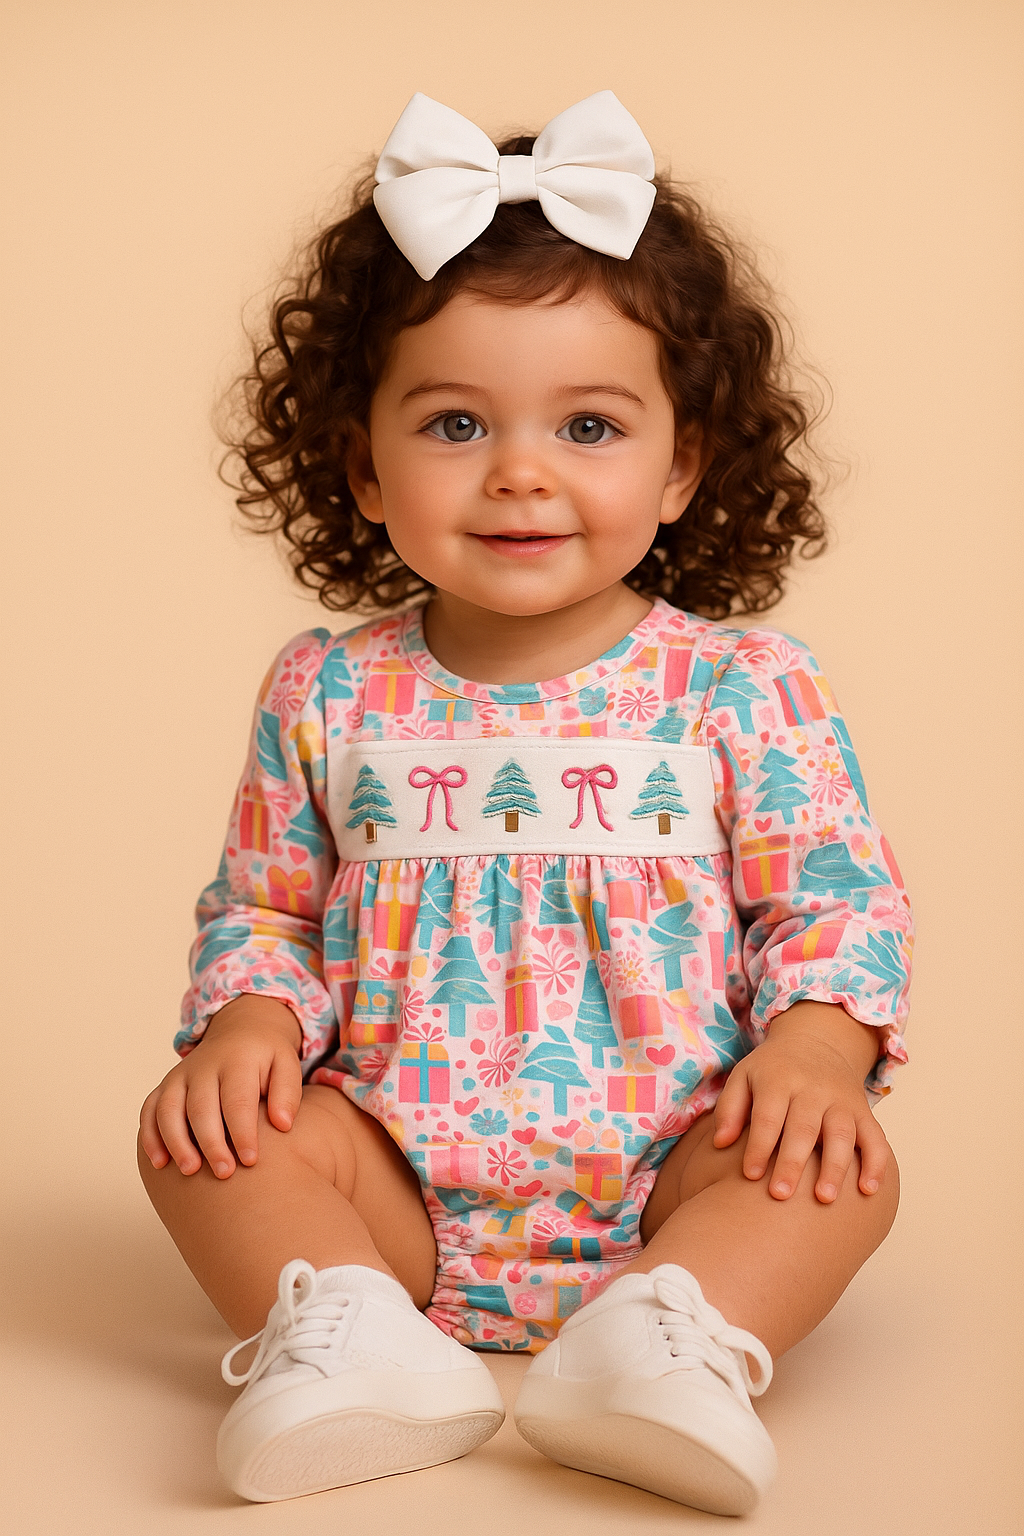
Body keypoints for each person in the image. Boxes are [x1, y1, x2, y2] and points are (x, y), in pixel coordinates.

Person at [138, 91, 912, 1517]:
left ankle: (670, 1339)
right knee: (198, 1132)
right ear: (362, 465)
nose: (521, 471)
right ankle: (359, 1337)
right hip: (392, 1180)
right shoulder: (329, 690)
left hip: (682, 1164)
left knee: (847, 1172)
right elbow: (266, 907)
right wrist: (248, 1020)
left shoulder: (739, 687)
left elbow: (834, 904)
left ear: (682, 464)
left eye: (592, 425)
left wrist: (812, 1054)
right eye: (452, 422)